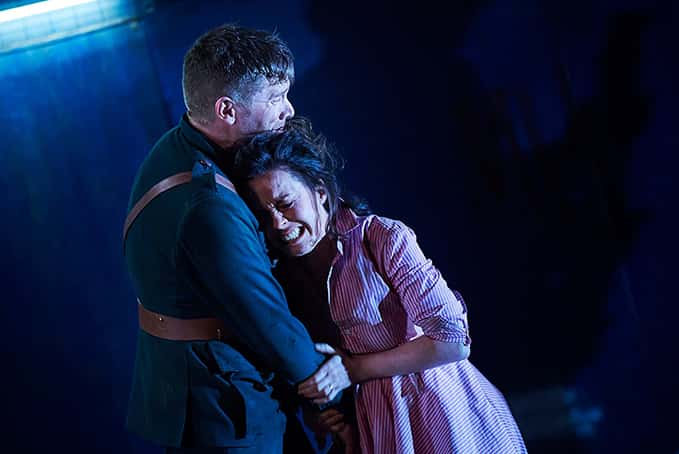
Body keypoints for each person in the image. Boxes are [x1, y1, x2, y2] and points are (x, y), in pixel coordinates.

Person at [233, 121, 529, 453]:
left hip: (439, 414)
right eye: (264, 214)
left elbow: (453, 340)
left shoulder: (382, 238)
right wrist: (322, 415)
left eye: (285, 203)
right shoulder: (280, 277)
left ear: (319, 191)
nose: (278, 223)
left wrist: (355, 370)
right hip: (372, 427)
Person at [123, 24, 350, 453]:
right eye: (274, 98)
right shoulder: (209, 203)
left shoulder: (174, 148)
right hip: (225, 406)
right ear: (227, 110)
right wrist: (332, 386)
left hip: (192, 388)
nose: (288, 110)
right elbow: (266, 316)